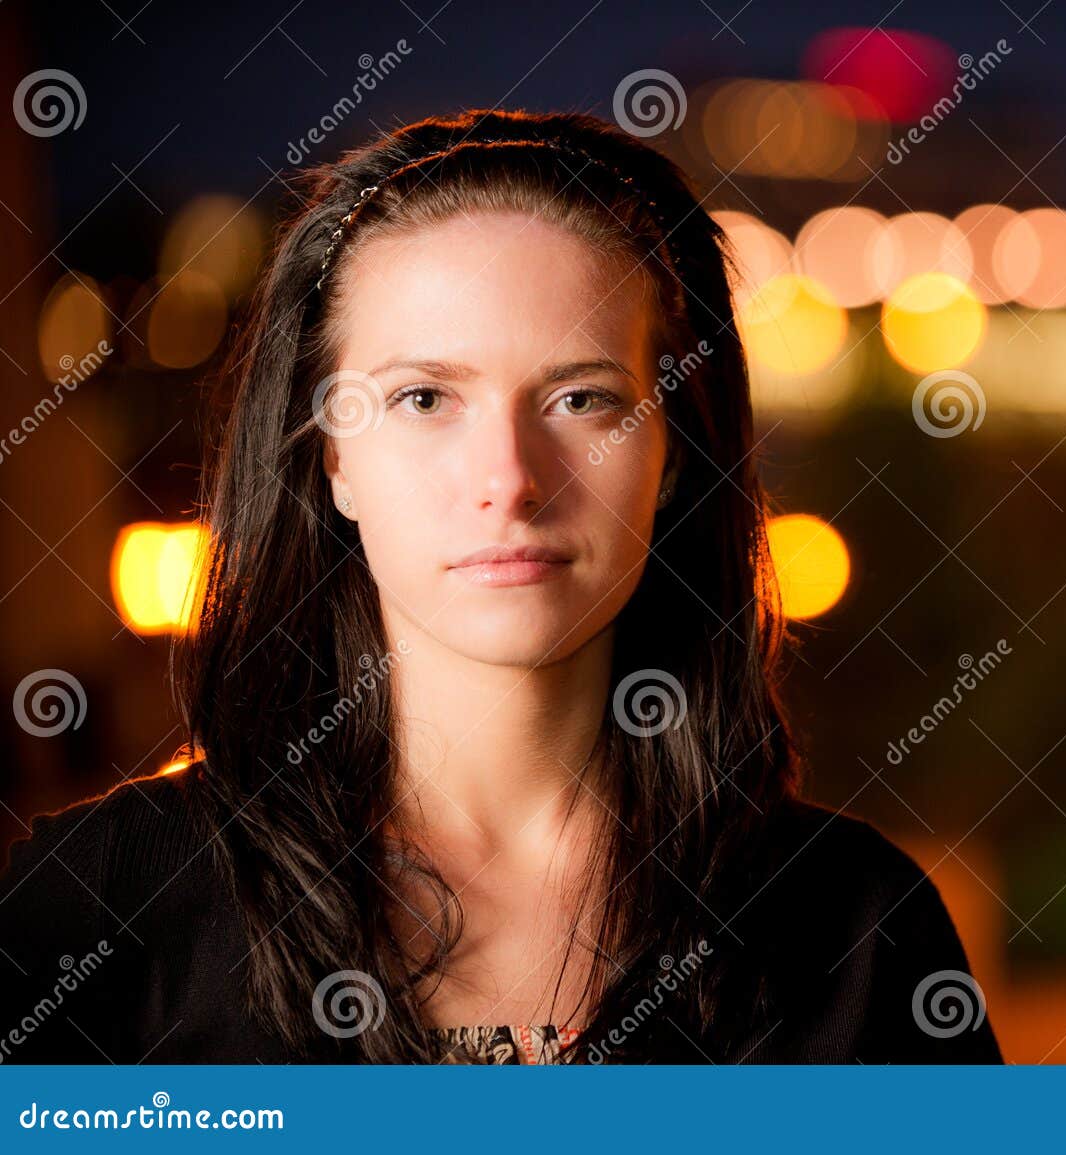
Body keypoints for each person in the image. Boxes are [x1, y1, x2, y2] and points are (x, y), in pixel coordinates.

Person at [0, 109, 1002, 1065]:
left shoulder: (859, 932)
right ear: (329, 459)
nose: (511, 481)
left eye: (581, 398)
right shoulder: (97, 914)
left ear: (676, 454)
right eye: (424, 398)